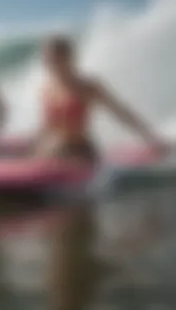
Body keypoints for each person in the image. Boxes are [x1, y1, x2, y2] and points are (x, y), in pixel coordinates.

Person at [37, 35, 169, 310]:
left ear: (69, 57)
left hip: (81, 153)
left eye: (53, 56)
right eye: (46, 57)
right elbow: (47, 128)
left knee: (72, 229)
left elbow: (120, 112)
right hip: (53, 154)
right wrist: (32, 152)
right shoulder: (46, 88)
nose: (48, 62)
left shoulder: (88, 85)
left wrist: (151, 138)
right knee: (57, 248)